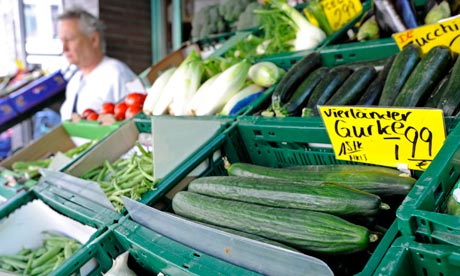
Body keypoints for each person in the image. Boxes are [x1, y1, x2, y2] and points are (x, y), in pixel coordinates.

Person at [57, 7, 137, 121]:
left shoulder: (118, 73)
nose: (64, 48)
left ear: (94, 39)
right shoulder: (74, 82)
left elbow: (139, 115)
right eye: (61, 40)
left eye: (70, 39)